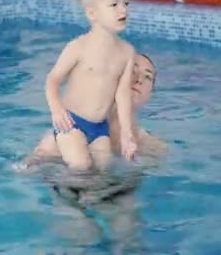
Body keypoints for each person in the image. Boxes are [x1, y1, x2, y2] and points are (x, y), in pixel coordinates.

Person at [45, 0, 137, 172]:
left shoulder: (127, 52)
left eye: (126, 3)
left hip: (99, 128)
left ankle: (94, 199)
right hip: (72, 122)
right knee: (81, 165)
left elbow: (122, 96)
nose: (123, 10)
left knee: (105, 167)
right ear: (92, 14)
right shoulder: (78, 47)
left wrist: (127, 134)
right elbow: (53, 80)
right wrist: (56, 109)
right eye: (114, 5)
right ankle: (66, 198)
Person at [18, 53, 167, 172]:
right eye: (132, 71)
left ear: (150, 94)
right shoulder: (74, 128)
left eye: (148, 76)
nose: (139, 79)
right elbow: (28, 168)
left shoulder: (152, 147)